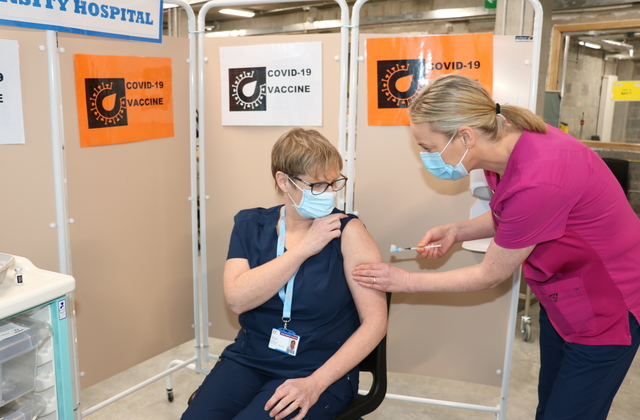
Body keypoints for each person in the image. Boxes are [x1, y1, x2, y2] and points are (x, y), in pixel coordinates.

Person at [352, 74, 640, 420]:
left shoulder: (541, 175)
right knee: (549, 407)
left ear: (465, 136)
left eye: (427, 147)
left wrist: (405, 281)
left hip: (609, 304)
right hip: (566, 296)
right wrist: (457, 231)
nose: (424, 156)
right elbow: (510, 214)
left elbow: (492, 272)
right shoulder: (506, 146)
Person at [182, 128, 387, 420]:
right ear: (284, 181)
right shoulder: (250, 225)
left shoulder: (349, 232)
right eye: (317, 185)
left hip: (316, 369)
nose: (328, 192)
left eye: (333, 182)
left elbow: (375, 323)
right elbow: (238, 300)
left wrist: (315, 384)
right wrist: (304, 248)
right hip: (250, 358)